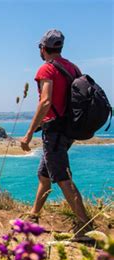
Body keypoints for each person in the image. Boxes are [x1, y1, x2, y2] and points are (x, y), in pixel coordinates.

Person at [20, 29, 93, 242]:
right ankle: (33, 217)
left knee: (61, 177)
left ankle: (85, 227)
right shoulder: (73, 68)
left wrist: (29, 133)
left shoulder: (47, 69)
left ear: (43, 48)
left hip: (54, 131)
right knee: (44, 174)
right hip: (69, 130)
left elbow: (45, 101)